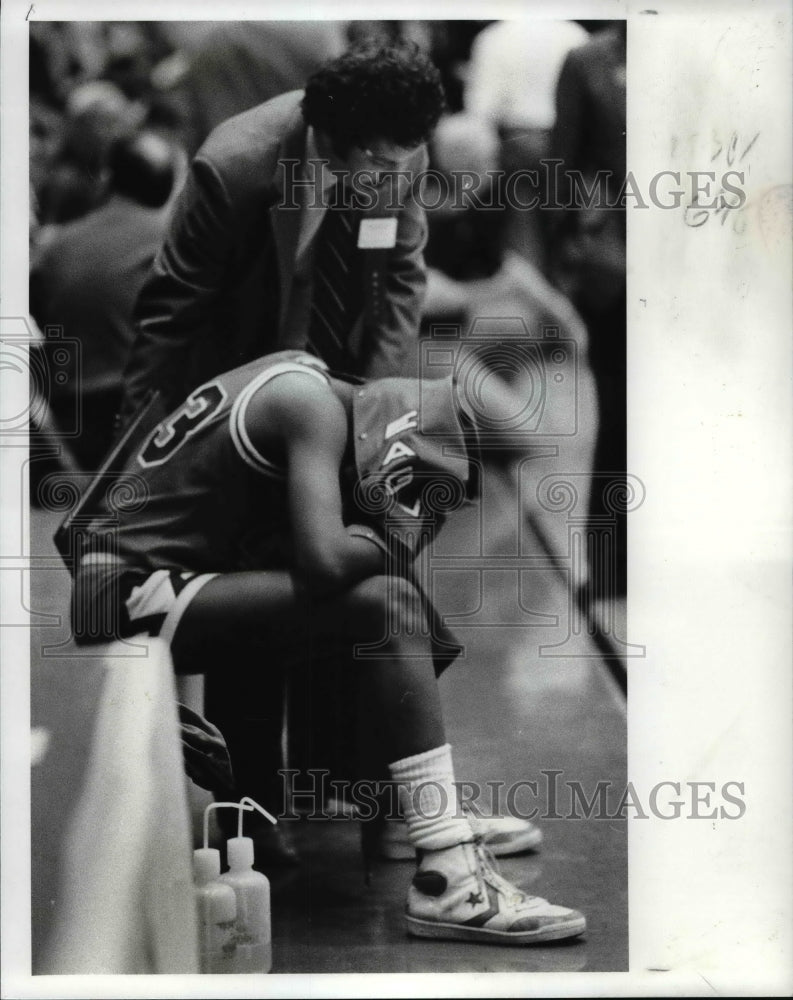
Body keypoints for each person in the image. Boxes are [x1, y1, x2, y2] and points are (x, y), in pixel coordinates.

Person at [69, 349, 585, 945]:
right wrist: (399, 533)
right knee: (384, 601)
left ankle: (396, 813)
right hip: (123, 591)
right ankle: (450, 870)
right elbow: (323, 561)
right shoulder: (311, 406)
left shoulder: (309, 383)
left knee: (368, 594)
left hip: (149, 574)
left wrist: (388, 534)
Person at [119, 41, 447, 424]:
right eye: (379, 163)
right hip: (242, 384)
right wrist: (136, 434)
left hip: (353, 368)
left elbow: (402, 277)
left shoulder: (401, 151)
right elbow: (172, 314)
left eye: (403, 161)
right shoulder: (232, 168)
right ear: (330, 135)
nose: (395, 177)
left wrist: (370, 401)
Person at [29, 131, 177, 473]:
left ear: (108, 178)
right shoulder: (175, 235)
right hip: (151, 418)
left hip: (73, 427)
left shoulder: (56, 248)